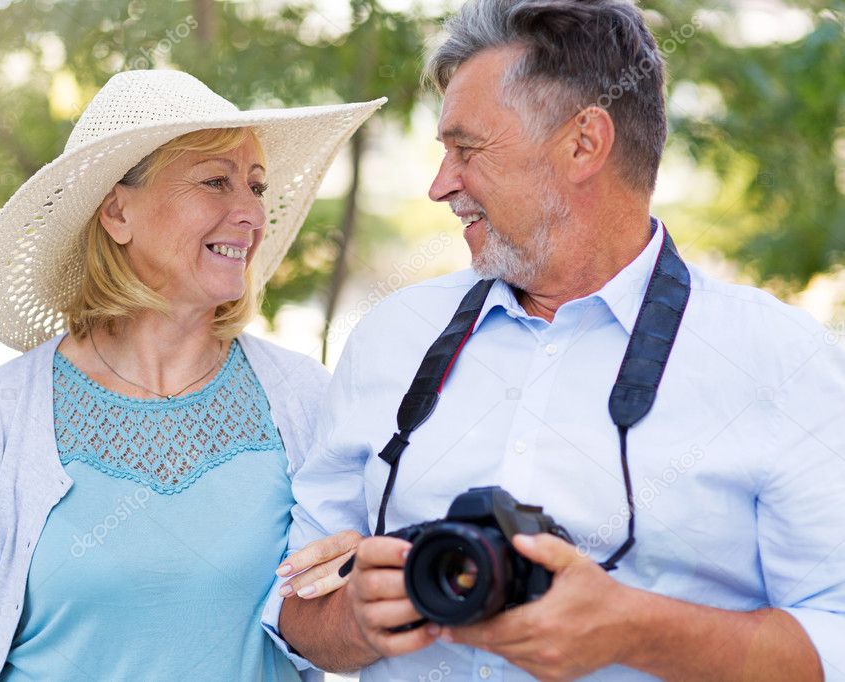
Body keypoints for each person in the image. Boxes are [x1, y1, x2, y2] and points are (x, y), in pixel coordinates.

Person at [267, 1, 845, 680]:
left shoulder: (783, 359)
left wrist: (633, 628)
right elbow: (291, 614)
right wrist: (353, 620)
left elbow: (832, 635)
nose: (438, 185)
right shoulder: (391, 337)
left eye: (466, 149)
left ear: (582, 144)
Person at [0, 69, 383, 681]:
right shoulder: (0, 411)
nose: (251, 214)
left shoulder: (302, 397)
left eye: (256, 187)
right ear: (118, 213)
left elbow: (338, 629)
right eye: (215, 182)